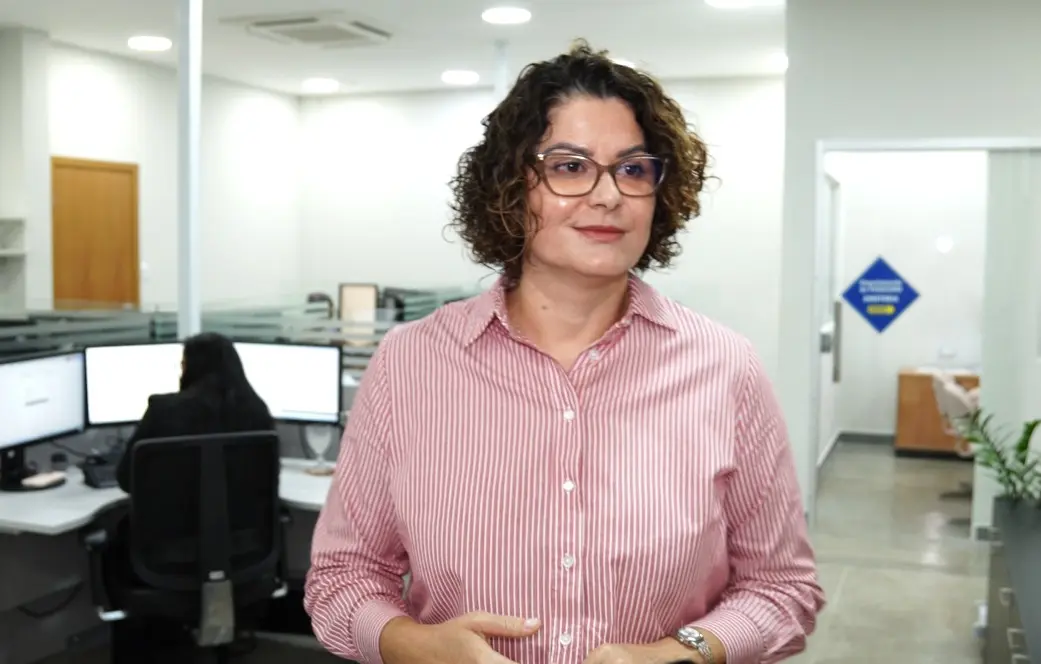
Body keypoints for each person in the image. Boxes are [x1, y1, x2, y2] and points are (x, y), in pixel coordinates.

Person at [306, 41, 824, 664]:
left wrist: (684, 650)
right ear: (510, 186)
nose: (608, 195)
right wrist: (413, 645)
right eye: (570, 166)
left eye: (633, 169)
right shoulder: (411, 363)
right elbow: (341, 576)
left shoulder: (725, 367)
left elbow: (782, 588)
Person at [115, 332, 275, 492]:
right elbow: (269, 480)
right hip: (243, 517)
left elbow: (126, 479)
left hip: (172, 516)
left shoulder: (162, 410)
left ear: (190, 369)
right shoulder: (258, 413)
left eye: (183, 365)